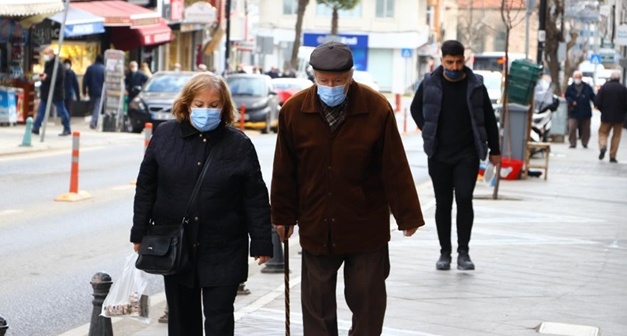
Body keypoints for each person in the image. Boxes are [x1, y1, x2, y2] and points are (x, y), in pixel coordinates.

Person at [271, 41, 424, 336]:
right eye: (323, 80)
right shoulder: (293, 111)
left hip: (365, 224)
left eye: (338, 81)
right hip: (317, 223)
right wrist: (282, 215)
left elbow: (394, 166)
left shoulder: (376, 108)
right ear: (313, 76)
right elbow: (284, 171)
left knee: (368, 301)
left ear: (350, 76)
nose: (331, 86)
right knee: (317, 306)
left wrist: (408, 216)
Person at [130, 72, 272, 336]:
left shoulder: (238, 144)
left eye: (214, 105)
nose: (206, 110)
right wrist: (139, 232)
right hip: (176, 245)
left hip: (224, 246)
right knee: (182, 321)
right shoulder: (165, 136)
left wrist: (262, 241)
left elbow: (255, 197)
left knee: (219, 319)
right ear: (186, 105)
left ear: (225, 107)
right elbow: (146, 186)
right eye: (199, 104)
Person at [410, 40, 501, 271]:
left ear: (465, 60)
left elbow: (489, 119)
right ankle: (444, 253)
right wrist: (427, 128)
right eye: (450, 62)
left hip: (467, 154)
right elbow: (415, 108)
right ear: (442, 61)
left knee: (463, 199)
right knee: (443, 203)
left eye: (459, 61)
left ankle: (464, 253)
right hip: (438, 153)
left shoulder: (476, 85)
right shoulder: (430, 82)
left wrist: (496, 151)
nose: (455, 66)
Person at [31, 46, 72, 136]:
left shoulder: (58, 64)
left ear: (52, 53)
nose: (45, 56)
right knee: (41, 109)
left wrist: (47, 77)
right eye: (44, 54)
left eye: (47, 54)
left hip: (56, 92)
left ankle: (67, 127)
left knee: (61, 110)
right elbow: (49, 74)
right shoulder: (48, 63)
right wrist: (43, 76)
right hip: (46, 91)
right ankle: (36, 127)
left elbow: (59, 77)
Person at [594, 70, 627, 163]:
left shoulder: (604, 88)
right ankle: (612, 156)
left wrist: (602, 110)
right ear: (619, 78)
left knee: (602, 133)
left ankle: (603, 146)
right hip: (619, 117)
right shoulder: (624, 89)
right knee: (616, 136)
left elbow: (597, 102)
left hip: (606, 116)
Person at [565, 70, 596, 149]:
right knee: (572, 127)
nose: (577, 79)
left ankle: (585, 142)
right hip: (574, 111)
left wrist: (597, 103)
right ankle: (572, 143)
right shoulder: (570, 88)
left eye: (579, 77)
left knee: (586, 128)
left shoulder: (587, 87)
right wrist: (572, 101)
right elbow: (567, 96)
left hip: (585, 110)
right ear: (573, 77)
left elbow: (593, 96)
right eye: (576, 77)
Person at [82, 54, 105, 129]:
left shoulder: (90, 68)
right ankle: (93, 121)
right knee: (97, 107)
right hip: (100, 91)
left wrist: (84, 91)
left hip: (91, 91)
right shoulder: (104, 69)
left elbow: (85, 80)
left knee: (93, 106)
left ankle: (94, 120)